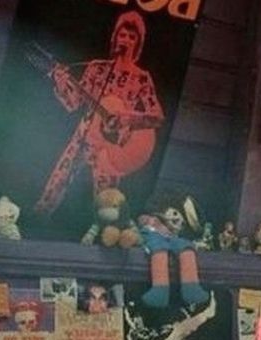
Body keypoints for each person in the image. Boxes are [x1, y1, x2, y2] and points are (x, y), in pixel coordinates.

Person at [34, 11, 164, 216]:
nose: (126, 40)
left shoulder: (141, 78)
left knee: (107, 205)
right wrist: (61, 83)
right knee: (55, 186)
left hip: (111, 147)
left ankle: (102, 239)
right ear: (115, 37)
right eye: (123, 35)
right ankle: (35, 223)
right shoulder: (96, 68)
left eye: (132, 37)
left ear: (138, 43)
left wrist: (126, 119)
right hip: (84, 136)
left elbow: (157, 117)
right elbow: (73, 103)